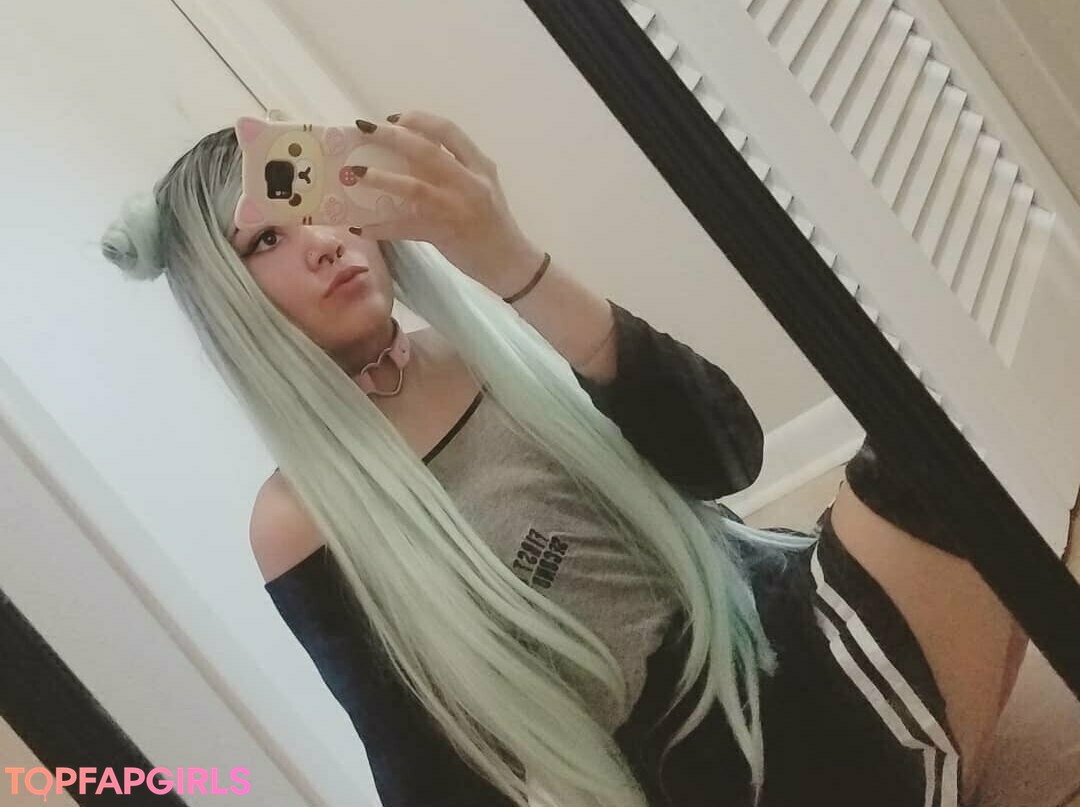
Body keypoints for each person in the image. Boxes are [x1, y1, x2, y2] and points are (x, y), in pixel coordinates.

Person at [100, 110, 1053, 807]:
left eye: (315, 200)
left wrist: (510, 261)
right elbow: (424, 772)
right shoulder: (299, 519)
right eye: (266, 238)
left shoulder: (490, 342)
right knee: (951, 433)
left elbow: (727, 458)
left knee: (961, 383)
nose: (320, 241)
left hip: (783, 617)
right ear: (230, 300)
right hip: (723, 759)